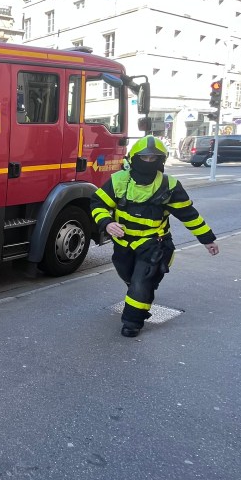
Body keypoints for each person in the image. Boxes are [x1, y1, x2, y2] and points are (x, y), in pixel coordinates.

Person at [90, 135, 219, 337]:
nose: (148, 162)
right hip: (123, 244)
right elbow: (98, 204)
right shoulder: (119, 180)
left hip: (154, 245)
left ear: (161, 160)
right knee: (129, 277)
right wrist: (106, 222)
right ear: (133, 158)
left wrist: (207, 239)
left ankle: (132, 323)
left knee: (142, 282)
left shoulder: (170, 185)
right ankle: (140, 293)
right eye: (144, 157)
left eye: (153, 158)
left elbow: (189, 215)